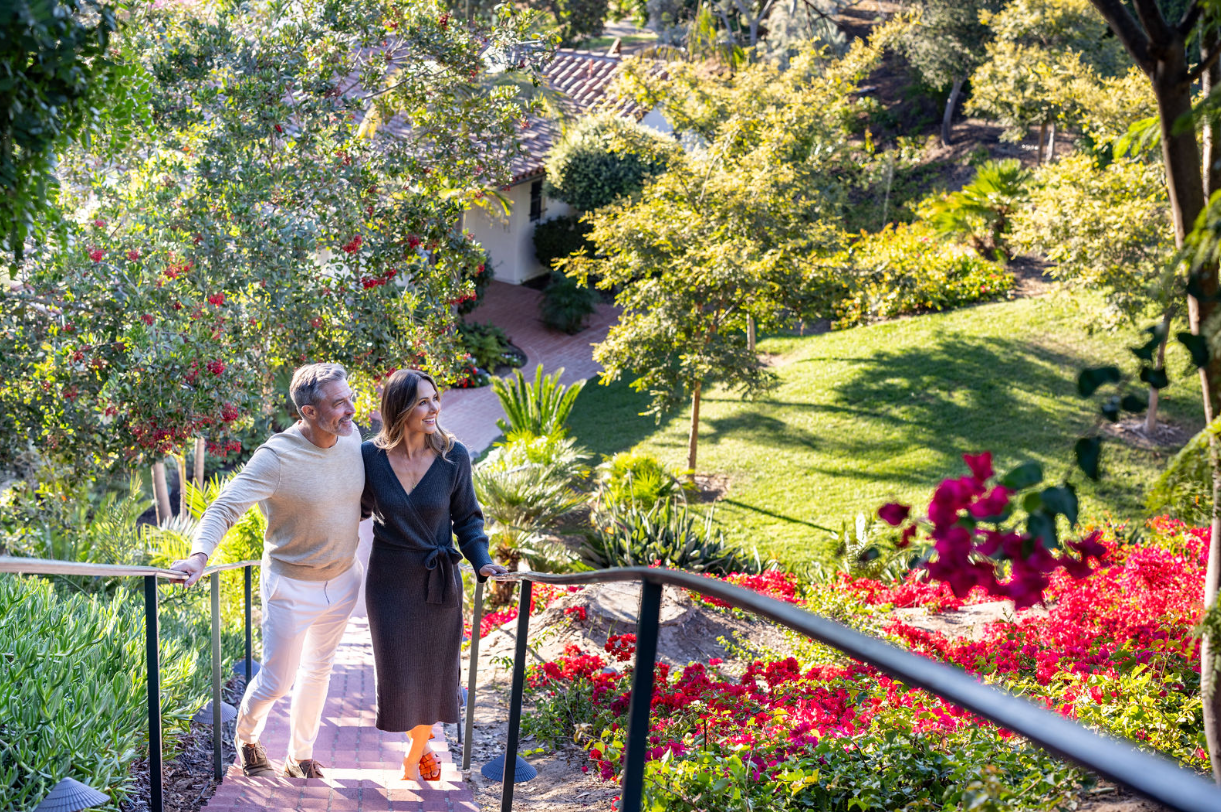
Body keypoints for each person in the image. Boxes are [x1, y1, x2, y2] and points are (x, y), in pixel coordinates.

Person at [170, 363, 364, 780]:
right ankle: (247, 737)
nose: (350, 409)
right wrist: (199, 556)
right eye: (338, 403)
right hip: (291, 586)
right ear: (309, 412)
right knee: (277, 681)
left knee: (318, 670)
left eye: (350, 398)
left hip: (345, 579)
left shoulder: (353, 438)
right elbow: (224, 507)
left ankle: (300, 755)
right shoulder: (276, 457)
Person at [360, 369, 507, 783]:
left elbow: (468, 520)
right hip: (388, 583)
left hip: (438, 583)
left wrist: (482, 561)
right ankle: (422, 744)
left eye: (435, 399)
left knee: (435, 673)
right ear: (400, 408)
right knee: (398, 672)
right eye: (423, 401)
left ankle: (413, 755)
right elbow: (354, 508)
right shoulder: (370, 457)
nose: (434, 408)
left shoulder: (453, 456)